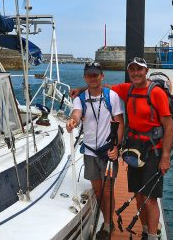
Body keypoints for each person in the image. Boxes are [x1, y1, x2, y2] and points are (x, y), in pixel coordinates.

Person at [71, 57, 173, 240]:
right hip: (134, 149)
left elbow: (169, 126)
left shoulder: (156, 93)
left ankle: (152, 235)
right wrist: (80, 90)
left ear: (146, 70)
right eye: (132, 70)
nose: (136, 73)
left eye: (139, 70)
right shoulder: (128, 89)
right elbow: (101, 87)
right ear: (129, 73)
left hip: (153, 151)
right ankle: (144, 230)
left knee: (150, 198)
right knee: (139, 195)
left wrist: (165, 156)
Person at [66, 61, 124, 240]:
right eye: (89, 75)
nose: (93, 78)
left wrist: (117, 146)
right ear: (85, 77)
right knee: (98, 191)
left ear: (102, 76)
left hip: (108, 152)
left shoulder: (111, 96)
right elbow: (76, 112)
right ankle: (106, 218)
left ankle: (107, 224)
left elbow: (120, 122)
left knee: (108, 191)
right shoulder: (80, 98)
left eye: (96, 74)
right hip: (90, 151)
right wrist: (73, 121)